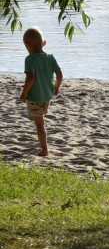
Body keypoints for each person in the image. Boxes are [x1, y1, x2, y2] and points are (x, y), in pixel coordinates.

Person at [19, 27, 63, 156]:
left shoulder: (30, 59)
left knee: (39, 124)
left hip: (35, 96)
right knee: (41, 120)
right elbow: (60, 75)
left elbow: (30, 77)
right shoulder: (50, 58)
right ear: (44, 43)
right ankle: (42, 144)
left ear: (27, 44)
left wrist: (24, 93)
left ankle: (44, 150)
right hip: (47, 96)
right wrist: (56, 88)